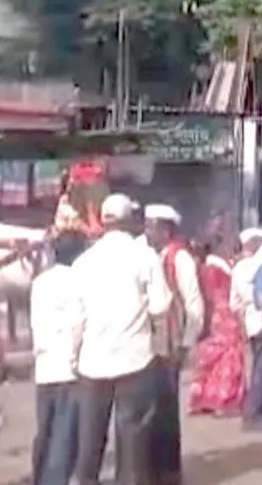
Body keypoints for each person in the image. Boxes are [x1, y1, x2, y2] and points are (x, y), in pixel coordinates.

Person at [71, 194, 172, 485]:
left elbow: (76, 319)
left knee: (90, 438)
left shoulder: (83, 262)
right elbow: (160, 306)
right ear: (130, 220)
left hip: (93, 362)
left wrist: (73, 357)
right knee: (133, 440)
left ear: (103, 222)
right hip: (135, 359)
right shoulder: (145, 256)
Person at [143, 204, 203, 485]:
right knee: (150, 409)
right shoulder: (150, 256)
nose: (147, 232)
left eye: (151, 227)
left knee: (165, 411)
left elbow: (194, 304)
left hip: (171, 344)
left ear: (166, 230)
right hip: (149, 345)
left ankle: (168, 471)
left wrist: (186, 344)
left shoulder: (180, 258)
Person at [30, 228, 85, 485]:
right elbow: (77, 324)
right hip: (67, 366)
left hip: (44, 365)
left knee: (45, 429)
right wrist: (76, 359)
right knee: (65, 432)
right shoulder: (78, 281)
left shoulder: (40, 282)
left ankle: (39, 477)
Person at [187, 235, 245, 416]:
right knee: (229, 354)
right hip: (225, 313)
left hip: (214, 313)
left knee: (211, 355)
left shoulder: (204, 267)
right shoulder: (217, 268)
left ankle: (204, 396)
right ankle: (224, 399)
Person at [229, 228, 262, 429]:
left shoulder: (237, 269)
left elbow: (234, 303)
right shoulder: (261, 265)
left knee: (258, 362)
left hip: (250, 321)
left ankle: (258, 407)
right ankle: (255, 409)